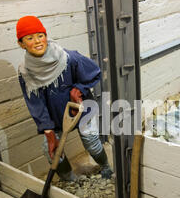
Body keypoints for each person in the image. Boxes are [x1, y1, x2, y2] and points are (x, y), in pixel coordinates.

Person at [16, 15, 113, 181]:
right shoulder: (26, 72)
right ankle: (70, 180)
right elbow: (36, 103)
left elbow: (94, 72)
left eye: (41, 36)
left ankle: (106, 167)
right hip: (56, 117)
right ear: (21, 44)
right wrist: (48, 131)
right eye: (30, 38)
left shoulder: (68, 58)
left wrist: (79, 89)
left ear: (46, 37)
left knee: (90, 139)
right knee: (51, 149)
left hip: (80, 108)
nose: (38, 41)